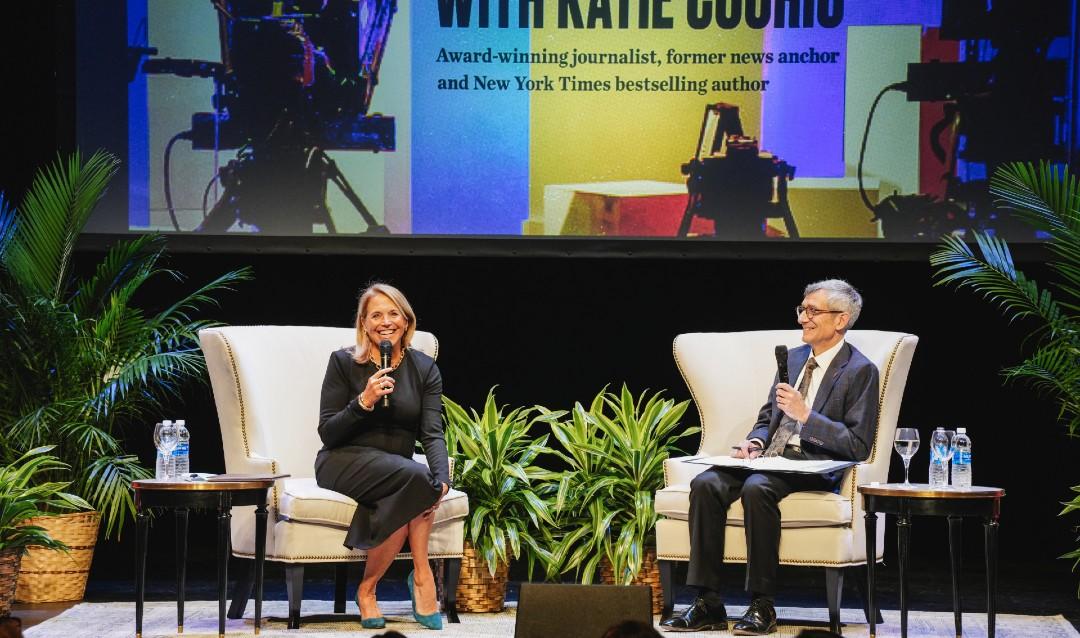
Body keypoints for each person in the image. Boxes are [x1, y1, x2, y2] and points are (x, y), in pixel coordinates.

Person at [660, 279, 879, 635]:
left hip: (811, 464)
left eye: (813, 311)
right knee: (706, 483)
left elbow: (857, 444)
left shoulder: (859, 370)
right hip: (769, 459)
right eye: (802, 310)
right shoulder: (792, 358)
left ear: (841, 320)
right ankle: (707, 602)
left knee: (758, 488)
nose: (803, 319)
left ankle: (762, 604)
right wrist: (755, 443)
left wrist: (807, 416)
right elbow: (767, 418)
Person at [316, 282, 450, 631]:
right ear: (363, 324)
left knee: (423, 481)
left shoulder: (424, 369)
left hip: (397, 471)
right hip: (343, 461)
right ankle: (422, 576)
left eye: (393, 314)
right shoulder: (343, 363)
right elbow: (328, 432)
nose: (385, 321)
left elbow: (432, 432)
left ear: (407, 322)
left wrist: (443, 478)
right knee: (416, 480)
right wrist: (363, 401)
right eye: (376, 315)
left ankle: (368, 589)